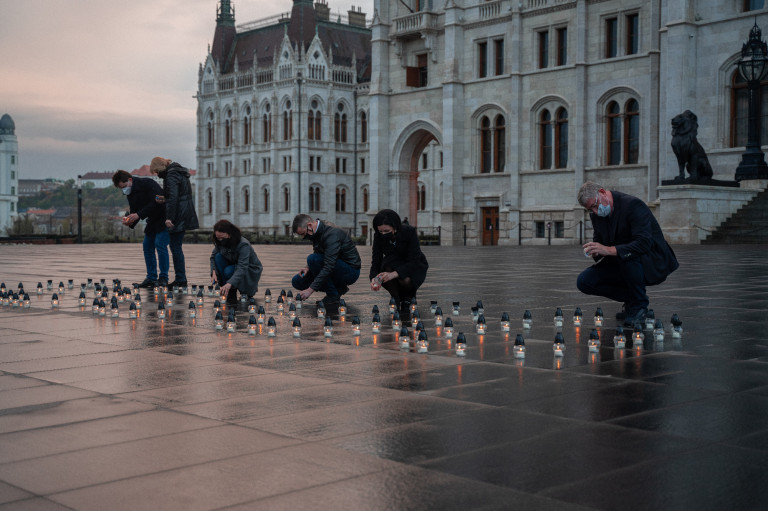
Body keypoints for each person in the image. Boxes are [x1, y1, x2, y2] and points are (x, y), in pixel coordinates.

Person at [576, 181, 679, 326]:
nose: (595, 211)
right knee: (584, 281)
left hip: (649, 258)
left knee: (627, 255)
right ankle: (631, 298)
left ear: (602, 192)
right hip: (620, 260)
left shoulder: (632, 205)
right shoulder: (597, 216)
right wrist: (594, 250)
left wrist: (608, 250)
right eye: (590, 209)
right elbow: (600, 241)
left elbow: (643, 243)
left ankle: (639, 306)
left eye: (595, 205)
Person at [112, 170, 169, 288]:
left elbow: (157, 203)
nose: (123, 190)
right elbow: (134, 210)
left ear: (130, 180)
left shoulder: (148, 183)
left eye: (123, 187)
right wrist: (130, 222)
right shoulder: (130, 192)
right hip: (152, 220)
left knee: (160, 244)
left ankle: (163, 277)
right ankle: (151, 277)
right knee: (147, 246)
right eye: (121, 188)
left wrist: (138, 215)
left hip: (164, 217)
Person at [291, 214, 361, 309]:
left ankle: (333, 295)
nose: (304, 237)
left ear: (310, 225)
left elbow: (329, 265)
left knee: (312, 259)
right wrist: (307, 268)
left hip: (350, 271)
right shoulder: (316, 231)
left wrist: (310, 290)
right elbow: (319, 252)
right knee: (297, 281)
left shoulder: (332, 233)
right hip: (335, 266)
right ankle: (338, 288)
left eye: (303, 234)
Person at [150, 156, 199, 289]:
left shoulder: (171, 175)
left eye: (156, 171)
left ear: (160, 168)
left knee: (176, 248)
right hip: (183, 212)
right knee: (176, 247)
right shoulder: (178, 172)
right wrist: (164, 198)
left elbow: (174, 198)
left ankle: (181, 279)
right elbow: (174, 196)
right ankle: (180, 278)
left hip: (178, 215)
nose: (157, 175)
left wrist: (169, 218)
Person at [369, 209, 428, 315]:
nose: (383, 234)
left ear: (395, 227)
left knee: (405, 280)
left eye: (386, 231)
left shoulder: (409, 232)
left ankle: (408, 298)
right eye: (380, 231)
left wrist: (394, 274)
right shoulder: (378, 236)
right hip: (392, 262)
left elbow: (414, 259)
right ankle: (396, 299)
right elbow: (376, 259)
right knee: (385, 271)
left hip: (413, 264)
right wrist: (373, 278)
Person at [209, 219, 263, 306]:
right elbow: (213, 257)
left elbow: (242, 267)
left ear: (229, 235)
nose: (220, 240)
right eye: (218, 238)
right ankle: (227, 289)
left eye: (222, 238)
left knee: (228, 271)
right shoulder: (220, 242)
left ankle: (231, 287)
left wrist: (230, 283)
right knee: (218, 257)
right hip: (233, 265)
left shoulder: (243, 244)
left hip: (249, 269)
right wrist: (213, 271)